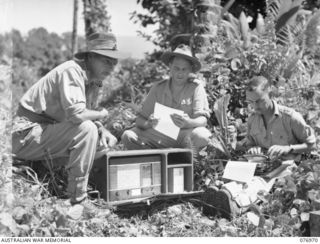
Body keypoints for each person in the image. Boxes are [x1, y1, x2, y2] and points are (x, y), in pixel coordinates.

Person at [12, 32, 128, 205]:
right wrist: (103, 114)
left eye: (114, 62)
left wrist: (103, 129)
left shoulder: (93, 80)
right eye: (106, 61)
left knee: (101, 143)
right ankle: (77, 199)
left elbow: (85, 113)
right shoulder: (72, 71)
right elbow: (77, 115)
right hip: (25, 135)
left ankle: (43, 168)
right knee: (87, 131)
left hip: (46, 132)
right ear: (90, 57)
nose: (111, 67)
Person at [203, 75, 316, 218]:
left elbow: (312, 144)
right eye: (251, 102)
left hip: (285, 165)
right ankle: (223, 193)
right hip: (259, 163)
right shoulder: (252, 119)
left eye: (259, 101)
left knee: (259, 183)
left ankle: (236, 205)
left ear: (270, 92)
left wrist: (288, 148)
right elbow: (250, 144)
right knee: (238, 176)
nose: (255, 106)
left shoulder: (290, 117)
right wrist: (252, 148)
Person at [121, 44, 211, 154]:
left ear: (190, 70)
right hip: (159, 136)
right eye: (176, 68)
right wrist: (148, 123)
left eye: (184, 69)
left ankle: (186, 162)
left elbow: (203, 120)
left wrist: (188, 122)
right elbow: (140, 120)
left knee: (203, 136)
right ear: (170, 66)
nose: (180, 73)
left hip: (184, 135)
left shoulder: (196, 87)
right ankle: (155, 161)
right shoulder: (158, 88)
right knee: (128, 136)